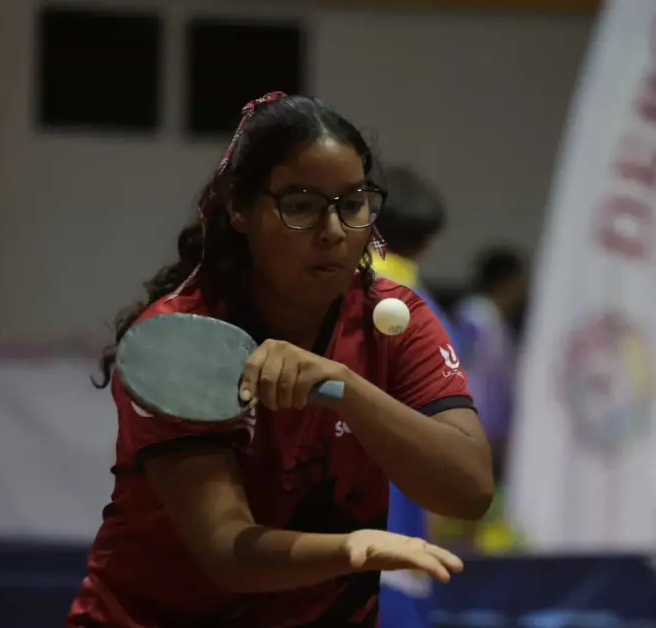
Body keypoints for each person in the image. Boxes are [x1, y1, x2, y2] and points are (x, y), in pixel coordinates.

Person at [67, 92, 494, 627]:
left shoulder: (395, 319)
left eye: (353, 204)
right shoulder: (182, 337)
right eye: (301, 206)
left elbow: (470, 490)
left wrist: (346, 388)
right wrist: (347, 550)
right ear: (241, 209)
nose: (334, 231)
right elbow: (227, 550)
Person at [368, 165, 459, 628]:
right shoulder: (434, 318)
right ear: (427, 241)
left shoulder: (318, 299)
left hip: (318, 552)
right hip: (403, 557)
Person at [453, 246, 526, 482]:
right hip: (474, 418)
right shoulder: (475, 314)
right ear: (508, 281)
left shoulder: (499, 321)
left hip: (494, 425)